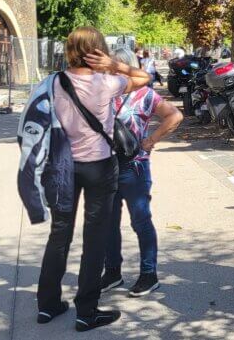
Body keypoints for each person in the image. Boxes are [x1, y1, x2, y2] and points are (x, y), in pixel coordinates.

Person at [36, 26, 151, 332]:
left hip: (62, 166)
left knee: (59, 235)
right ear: (98, 49)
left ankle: (47, 305)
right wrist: (115, 64)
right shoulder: (107, 82)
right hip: (99, 166)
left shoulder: (54, 82)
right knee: (95, 237)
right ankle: (86, 310)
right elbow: (144, 79)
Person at [99, 48, 183, 297]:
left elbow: (175, 115)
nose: (107, 73)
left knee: (140, 220)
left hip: (133, 166)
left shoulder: (145, 94)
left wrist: (151, 140)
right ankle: (112, 272)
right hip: (105, 165)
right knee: (108, 222)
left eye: (111, 68)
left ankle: (149, 274)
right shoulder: (103, 94)